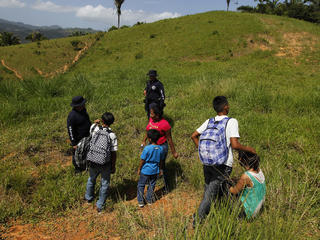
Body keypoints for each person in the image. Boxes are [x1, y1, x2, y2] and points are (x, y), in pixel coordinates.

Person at [191, 96, 256, 223]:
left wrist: (205, 150)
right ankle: (197, 220)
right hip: (223, 164)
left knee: (214, 189)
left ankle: (232, 213)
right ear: (225, 107)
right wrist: (250, 149)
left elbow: (193, 136)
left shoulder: (209, 121)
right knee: (211, 194)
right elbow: (235, 145)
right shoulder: (231, 121)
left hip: (207, 162)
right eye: (228, 105)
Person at [84, 112, 118, 213]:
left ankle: (88, 197)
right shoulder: (112, 135)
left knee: (91, 179)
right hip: (105, 163)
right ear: (112, 123)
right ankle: (100, 204)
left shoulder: (94, 128)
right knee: (105, 183)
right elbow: (113, 152)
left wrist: (96, 123)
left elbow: (92, 127)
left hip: (93, 159)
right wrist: (113, 165)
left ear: (102, 121)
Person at [141, 105, 178, 192]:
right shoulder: (151, 120)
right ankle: (149, 181)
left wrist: (174, 152)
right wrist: (144, 140)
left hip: (161, 147)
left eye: (152, 114)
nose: (150, 115)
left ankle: (167, 186)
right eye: (150, 113)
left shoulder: (165, 124)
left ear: (157, 115)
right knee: (148, 163)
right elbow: (148, 131)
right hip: (151, 146)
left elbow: (169, 139)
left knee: (161, 166)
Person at [229, 151, 266, 219]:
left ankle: (236, 216)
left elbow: (234, 191)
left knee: (226, 187)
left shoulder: (246, 176)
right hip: (257, 209)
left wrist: (228, 186)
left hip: (248, 212)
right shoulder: (259, 170)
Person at [137, 129, 164, 207]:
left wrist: (139, 169)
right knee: (152, 185)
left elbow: (142, 160)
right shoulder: (161, 148)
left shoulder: (147, 148)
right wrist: (160, 169)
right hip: (155, 170)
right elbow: (161, 161)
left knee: (141, 185)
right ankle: (149, 200)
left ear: (149, 139)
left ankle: (141, 202)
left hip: (145, 170)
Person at [67, 96, 91, 173]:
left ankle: (85, 165)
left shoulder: (83, 110)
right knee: (77, 153)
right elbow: (70, 130)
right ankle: (77, 168)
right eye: (82, 104)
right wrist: (73, 143)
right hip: (78, 139)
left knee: (85, 151)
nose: (84, 105)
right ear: (77, 106)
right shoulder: (72, 116)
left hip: (86, 136)